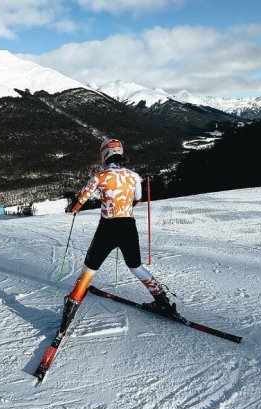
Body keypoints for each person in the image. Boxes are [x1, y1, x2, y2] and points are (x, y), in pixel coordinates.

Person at [58, 138, 178, 335]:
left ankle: (71, 307)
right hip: (128, 226)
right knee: (136, 266)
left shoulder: (100, 176)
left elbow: (79, 201)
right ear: (120, 154)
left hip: (108, 228)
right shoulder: (133, 176)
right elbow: (137, 199)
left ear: (104, 155)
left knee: (90, 268)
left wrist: (74, 207)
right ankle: (162, 302)